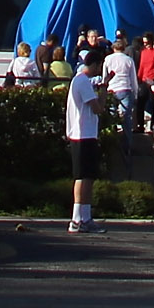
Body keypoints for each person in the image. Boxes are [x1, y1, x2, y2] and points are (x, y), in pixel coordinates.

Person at [63, 46, 104, 232]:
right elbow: (97, 108)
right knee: (82, 178)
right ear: (94, 64)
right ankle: (77, 218)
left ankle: (85, 217)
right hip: (82, 134)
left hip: (85, 133)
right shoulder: (82, 81)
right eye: (99, 66)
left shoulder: (79, 81)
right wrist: (103, 90)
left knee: (87, 177)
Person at [103, 35, 142, 138]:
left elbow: (105, 76)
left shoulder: (108, 59)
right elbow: (133, 78)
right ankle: (127, 144)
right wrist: (135, 93)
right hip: (125, 88)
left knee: (112, 117)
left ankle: (112, 140)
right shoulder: (128, 60)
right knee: (126, 118)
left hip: (112, 88)